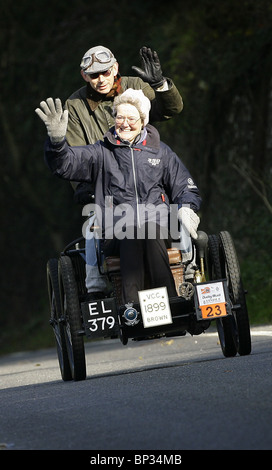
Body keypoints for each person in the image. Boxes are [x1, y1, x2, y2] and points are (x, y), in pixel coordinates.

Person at [35, 90, 201, 304]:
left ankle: (171, 304)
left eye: (131, 118)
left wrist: (186, 207)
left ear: (143, 121)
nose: (124, 123)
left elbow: (185, 186)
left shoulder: (162, 152)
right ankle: (131, 309)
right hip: (116, 231)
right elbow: (66, 165)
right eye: (119, 117)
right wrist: (57, 142)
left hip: (158, 227)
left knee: (148, 232)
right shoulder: (100, 151)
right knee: (133, 232)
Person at [64, 45, 183, 298]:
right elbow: (75, 158)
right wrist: (87, 189)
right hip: (108, 194)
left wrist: (161, 84)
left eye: (105, 72)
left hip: (147, 182)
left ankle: (178, 287)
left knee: (160, 223)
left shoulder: (136, 86)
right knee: (102, 228)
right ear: (85, 76)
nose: (101, 79)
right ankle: (98, 285)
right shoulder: (75, 106)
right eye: (94, 75)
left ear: (115, 68)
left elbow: (172, 109)